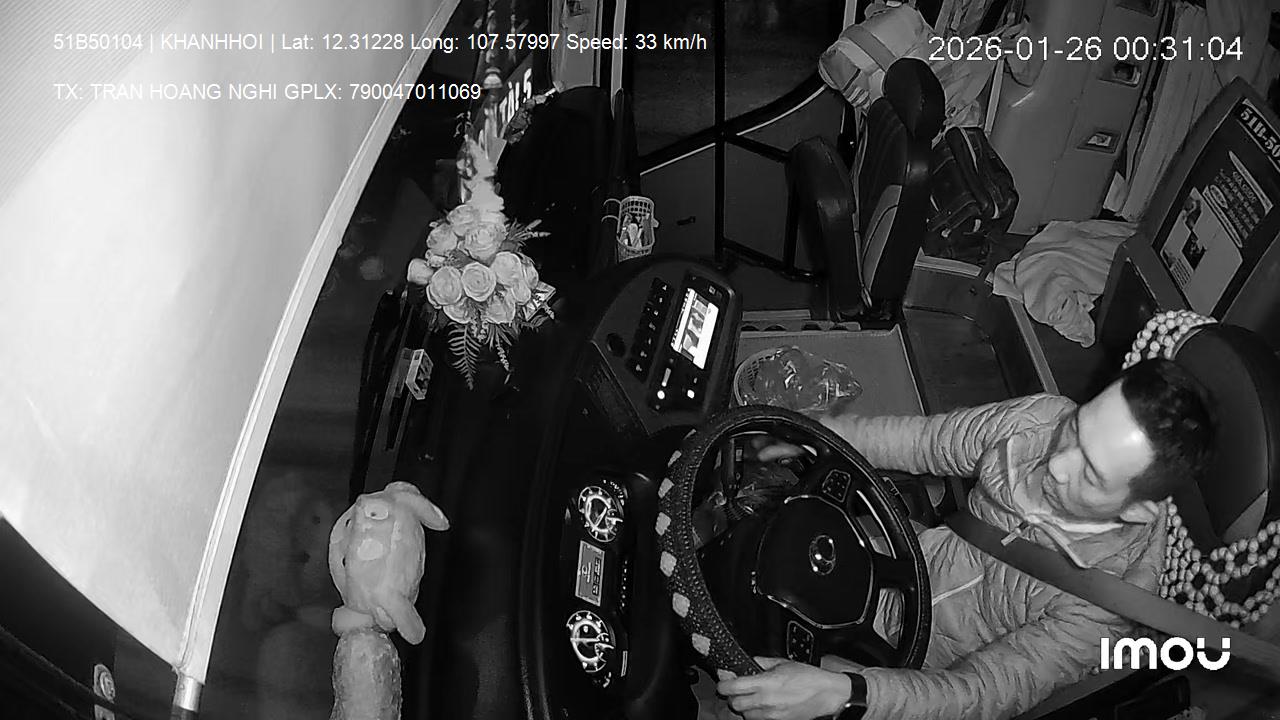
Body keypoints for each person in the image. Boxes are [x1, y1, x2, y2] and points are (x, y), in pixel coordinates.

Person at [711, 357, 1214, 720]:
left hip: (915, 673)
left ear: (1136, 509)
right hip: (907, 559)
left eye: (1092, 474)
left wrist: (848, 694)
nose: (1057, 464)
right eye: (1076, 429)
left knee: (746, 688)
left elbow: (981, 691)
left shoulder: (1103, 607)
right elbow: (925, 441)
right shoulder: (1037, 421)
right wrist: (817, 433)